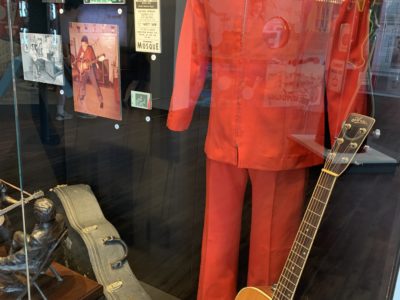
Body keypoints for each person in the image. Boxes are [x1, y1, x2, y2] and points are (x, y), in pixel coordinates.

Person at [0, 198, 64, 293]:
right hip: (47, 250)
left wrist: (3, 260)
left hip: (38, 263)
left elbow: (21, 257)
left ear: (37, 214)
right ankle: (13, 267)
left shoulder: (37, 238)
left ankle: (16, 285)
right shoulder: (60, 218)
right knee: (18, 235)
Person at [76, 35, 104, 108]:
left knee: (95, 85)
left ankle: (101, 100)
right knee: (82, 84)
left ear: (87, 44)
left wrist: (97, 63)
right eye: (82, 45)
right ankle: (82, 95)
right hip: (83, 70)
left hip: (90, 69)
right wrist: (80, 65)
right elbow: (78, 59)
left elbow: (94, 58)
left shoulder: (90, 49)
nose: (83, 46)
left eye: (84, 45)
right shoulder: (80, 49)